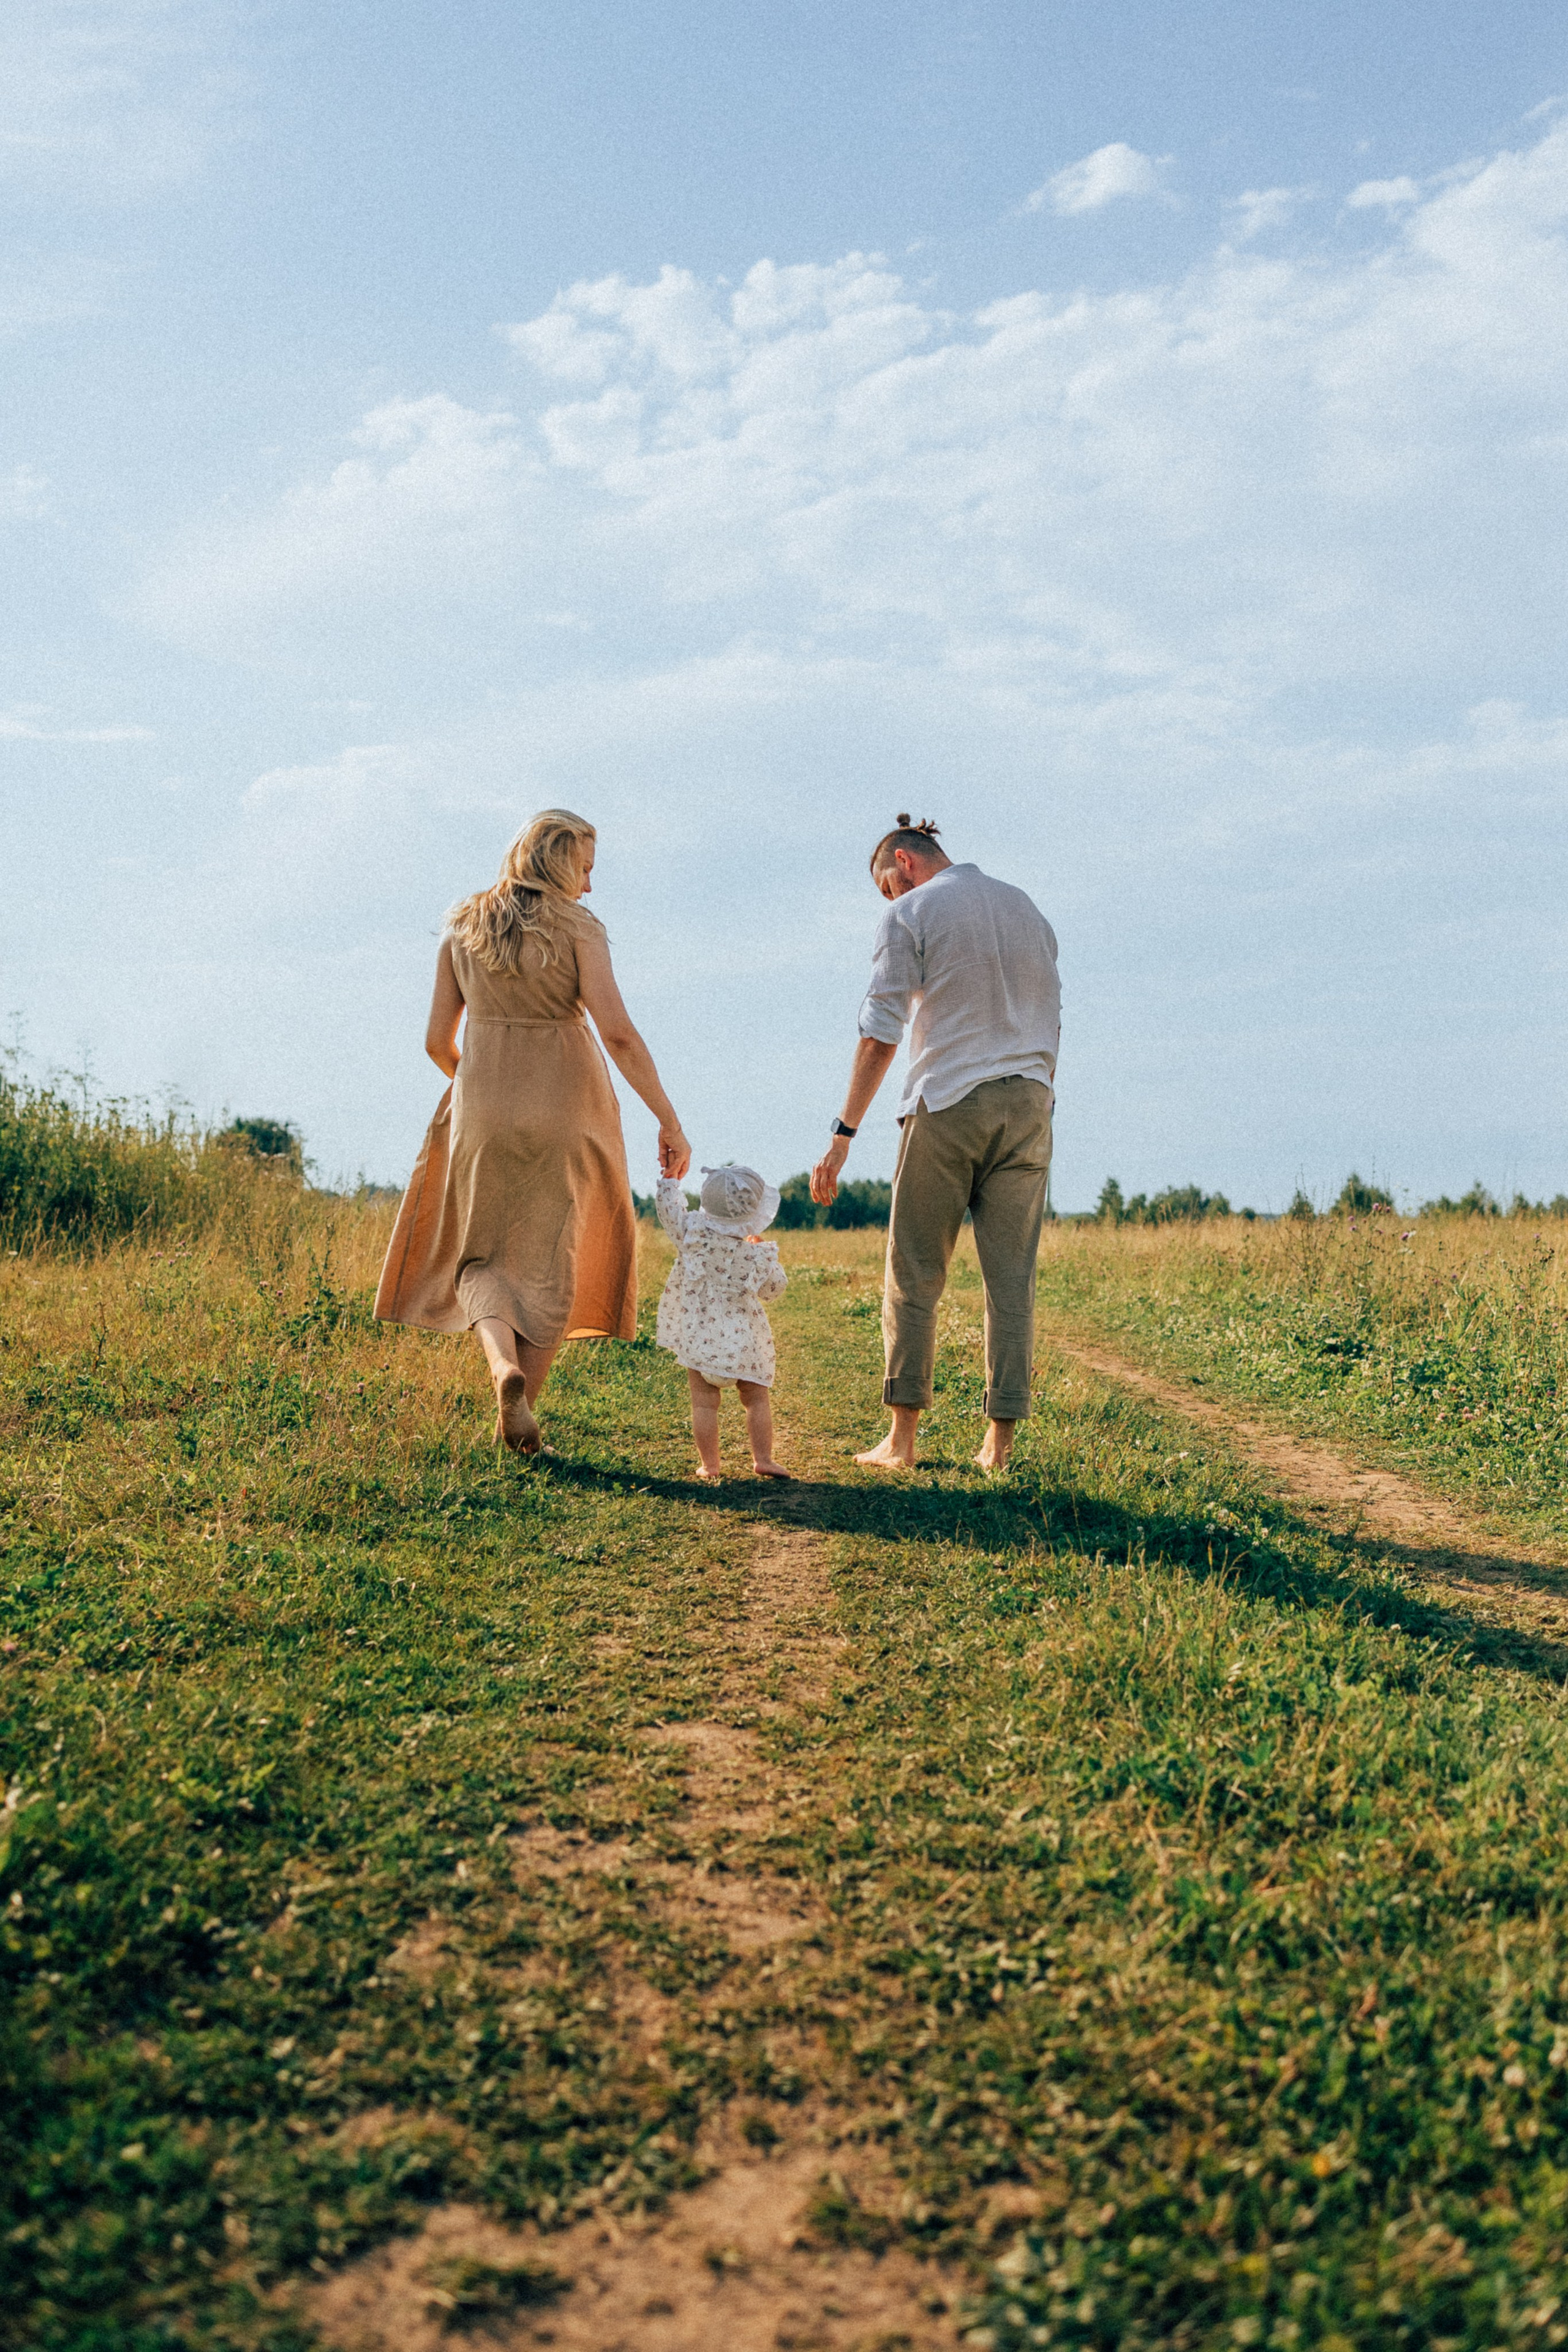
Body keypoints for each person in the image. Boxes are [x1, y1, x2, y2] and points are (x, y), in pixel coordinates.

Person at [375, 809, 692, 1454]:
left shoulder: (462, 928)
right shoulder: (579, 927)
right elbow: (619, 1034)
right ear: (557, 861)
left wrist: (479, 1081)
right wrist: (668, 1118)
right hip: (569, 1102)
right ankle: (523, 1424)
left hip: (483, 1104)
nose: (590, 886)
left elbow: (437, 1041)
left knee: (481, 1254)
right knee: (555, 1256)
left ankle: (501, 1368)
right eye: (585, 868)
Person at [810, 816, 1060, 1472]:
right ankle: (998, 1447)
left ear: (904, 861)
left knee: (915, 1270)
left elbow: (881, 1029)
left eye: (885, 885)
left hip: (948, 1099)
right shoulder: (1025, 907)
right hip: (1031, 1100)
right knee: (1012, 1280)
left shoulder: (910, 913)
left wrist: (843, 1133)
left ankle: (901, 1441)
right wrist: (1038, 1091)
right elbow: (1051, 1009)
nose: (887, 899)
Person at [655, 1163, 790, 1480]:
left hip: (699, 1338)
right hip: (745, 1344)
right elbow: (775, 1289)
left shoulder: (691, 1234)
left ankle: (710, 1466)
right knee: (756, 1400)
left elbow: (668, 1211)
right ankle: (764, 1459)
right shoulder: (756, 1254)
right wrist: (763, 1255)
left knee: (704, 1405)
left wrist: (670, 1181)